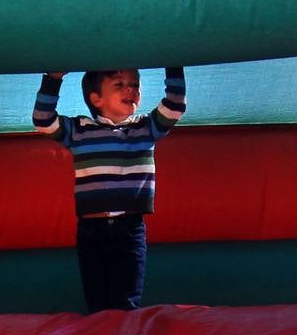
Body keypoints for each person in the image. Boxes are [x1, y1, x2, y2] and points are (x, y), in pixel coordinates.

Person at [32, 67, 186, 313]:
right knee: (98, 304)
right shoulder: (80, 130)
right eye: (119, 84)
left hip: (130, 230)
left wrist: (174, 64)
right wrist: (53, 79)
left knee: (126, 303)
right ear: (96, 99)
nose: (131, 89)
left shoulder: (145, 129)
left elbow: (175, 105)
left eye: (135, 85)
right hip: (92, 231)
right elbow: (43, 119)